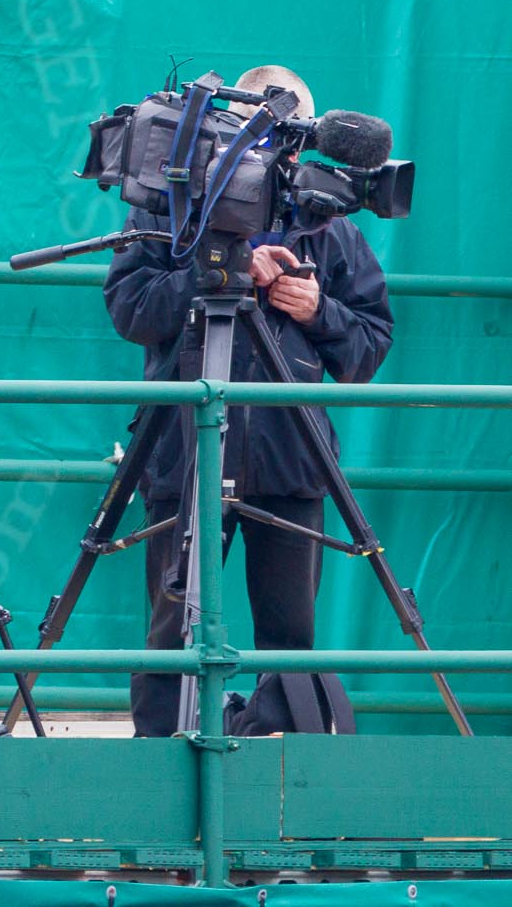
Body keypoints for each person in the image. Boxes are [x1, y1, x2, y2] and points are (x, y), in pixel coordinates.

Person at [106, 64, 394, 736]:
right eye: (272, 135)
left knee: (290, 638)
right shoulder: (166, 208)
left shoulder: (331, 229)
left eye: (299, 140)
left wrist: (319, 309)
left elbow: (370, 345)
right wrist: (220, 275)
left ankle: (284, 786)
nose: (285, 155)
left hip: (292, 459)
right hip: (185, 449)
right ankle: (159, 776)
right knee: (173, 629)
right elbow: (130, 309)